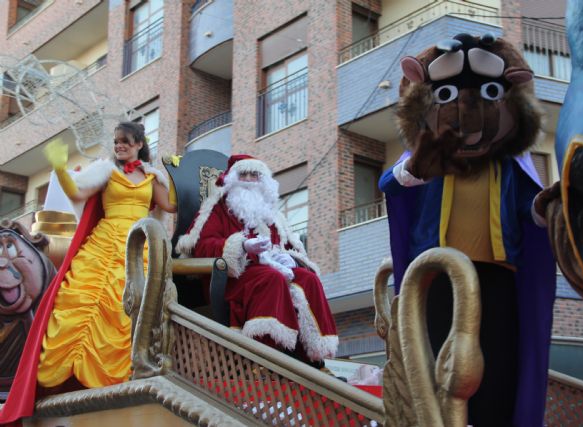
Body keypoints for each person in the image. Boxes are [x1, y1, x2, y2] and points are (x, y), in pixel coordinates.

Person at [379, 34, 556, 427]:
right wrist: (416, 171)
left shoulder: (510, 166)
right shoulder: (429, 159)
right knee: (439, 363)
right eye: (445, 96)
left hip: (499, 278)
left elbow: (530, 212)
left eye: (491, 92)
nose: (466, 109)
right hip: (438, 276)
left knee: (497, 363)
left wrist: (546, 209)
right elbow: (390, 185)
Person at [0, 122, 176, 424]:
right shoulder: (106, 169)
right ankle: (64, 386)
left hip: (138, 248)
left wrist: (177, 174)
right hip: (104, 246)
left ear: (138, 144)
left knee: (126, 313)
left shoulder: (151, 176)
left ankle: (119, 381)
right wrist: (58, 166)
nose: (119, 146)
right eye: (117, 141)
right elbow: (77, 192)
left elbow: (169, 206)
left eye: (125, 141)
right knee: (80, 306)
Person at [176, 154, 338, 366]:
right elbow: (200, 245)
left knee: (308, 278)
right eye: (244, 174)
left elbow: (288, 247)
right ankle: (265, 355)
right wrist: (241, 246)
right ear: (232, 178)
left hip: (270, 270)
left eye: (255, 174)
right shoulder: (218, 209)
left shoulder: (271, 215)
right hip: (233, 278)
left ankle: (312, 356)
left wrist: (288, 258)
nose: (250, 179)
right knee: (271, 278)